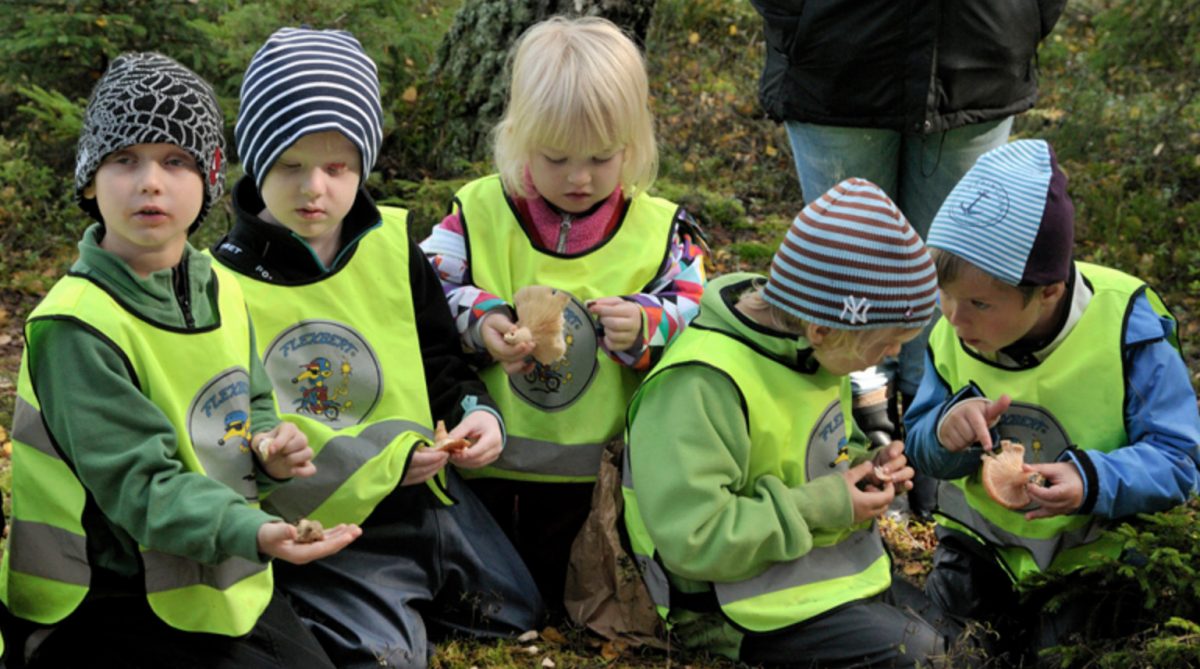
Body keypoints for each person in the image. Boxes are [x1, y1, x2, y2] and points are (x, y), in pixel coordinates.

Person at [0, 52, 360, 668]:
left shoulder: (221, 286)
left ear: (209, 181)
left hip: (214, 577)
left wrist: (270, 451)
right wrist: (255, 531)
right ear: (89, 179)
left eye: (176, 161)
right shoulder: (75, 324)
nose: (150, 182)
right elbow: (142, 486)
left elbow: (245, 409)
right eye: (124, 159)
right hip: (101, 601)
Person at [210, 27, 543, 668]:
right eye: (290, 165)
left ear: (363, 163)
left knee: (518, 612)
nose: (315, 189)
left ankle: (401, 596)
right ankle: (344, 605)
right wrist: (372, 464)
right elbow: (233, 433)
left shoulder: (392, 244)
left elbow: (439, 358)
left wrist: (477, 413)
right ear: (253, 159)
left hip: (428, 494)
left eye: (337, 168)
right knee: (385, 658)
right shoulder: (223, 281)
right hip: (331, 522)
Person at [420, 16, 707, 611]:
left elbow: (695, 312)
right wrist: (483, 319)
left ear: (634, 143)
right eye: (556, 158)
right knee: (497, 605)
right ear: (521, 138)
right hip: (487, 478)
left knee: (578, 603)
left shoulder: (659, 230)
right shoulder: (478, 212)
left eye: (602, 158)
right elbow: (423, 293)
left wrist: (645, 323)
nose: (579, 178)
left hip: (603, 487)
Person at [747, 1, 1070, 515]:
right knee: (846, 293)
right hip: (836, 47)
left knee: (958, 283)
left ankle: (935, 453)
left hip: (979, 50)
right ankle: (860, 455)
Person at [622, 179, 959, 667]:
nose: (892, 354)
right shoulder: (701, 383)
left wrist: (865, 465)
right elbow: (694, 540)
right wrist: (829, 502)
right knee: (921, 657)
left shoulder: (814, 347)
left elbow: (822, 448)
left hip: (816, 574)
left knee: (965, 642)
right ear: (822, 326)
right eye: (884, 342)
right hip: (729, 606)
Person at [904, 139, 1200, 662]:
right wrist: (942, 433)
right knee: (947, 653)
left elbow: (1180, 459)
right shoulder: (954, 327)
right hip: (979, 551)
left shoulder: (1127, 326)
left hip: (1092, 559)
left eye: (977, 303)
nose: (953, 317)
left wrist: (1093, 480)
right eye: (943, 293)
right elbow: (922, 444)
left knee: (1057, 655)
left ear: (1049, 292)